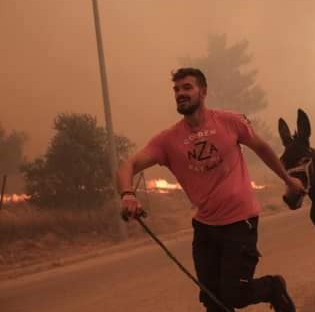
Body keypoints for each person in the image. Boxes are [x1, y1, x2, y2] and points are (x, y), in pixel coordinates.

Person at [117, 67, 304, 312]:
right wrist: (128, 194)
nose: (180, 93)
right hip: (205, 227)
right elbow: (127, 165)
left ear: (203, 91)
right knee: (212, 300)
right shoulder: (168, 140)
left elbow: (261, 148)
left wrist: (288, 180)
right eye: (176, 89)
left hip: (241, 221)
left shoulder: (229, 122)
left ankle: (273, 288)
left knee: (233, 294)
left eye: (187, 87)